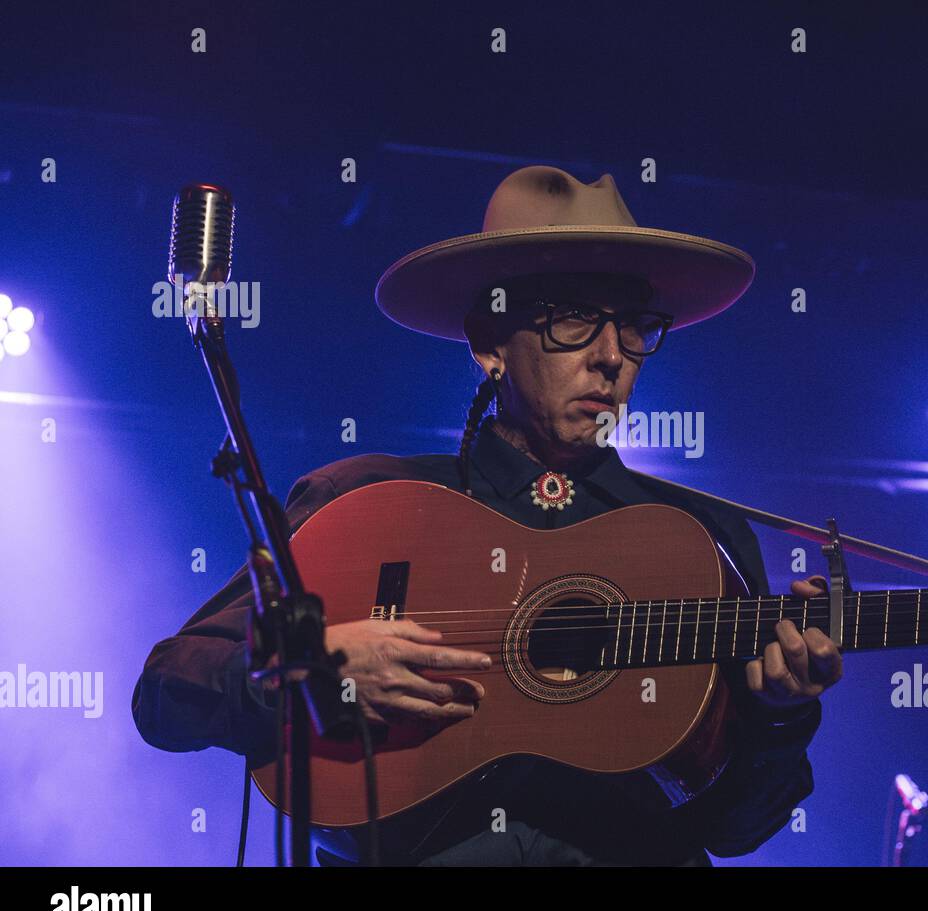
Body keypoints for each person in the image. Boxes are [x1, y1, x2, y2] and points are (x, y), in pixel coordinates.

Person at [132, 165, 844, 865]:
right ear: (488, 344)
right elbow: (165, 689)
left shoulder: (702, 541)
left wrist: (783, 714)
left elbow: (735, 832)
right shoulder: (370, 500)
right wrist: (309, 672)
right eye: (573, 318)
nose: (610, 357)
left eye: (633, 326)